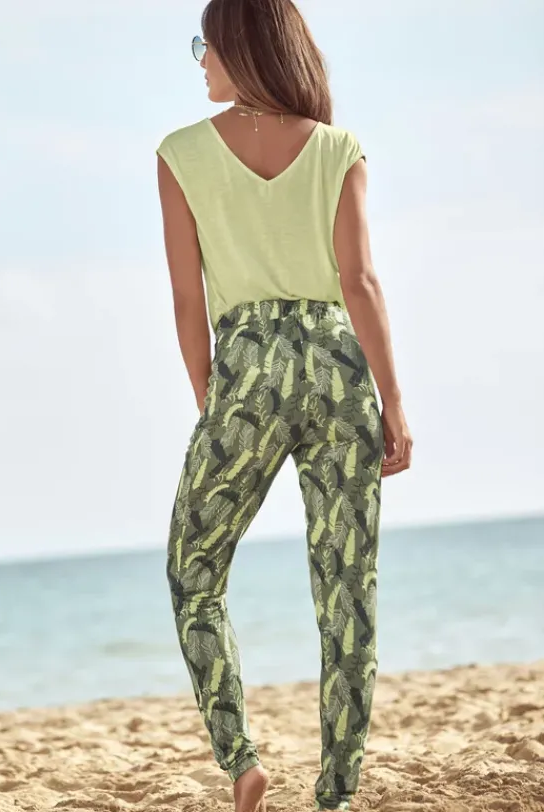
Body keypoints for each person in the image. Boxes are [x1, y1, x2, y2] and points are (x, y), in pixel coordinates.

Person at [156, 1, 412, 809]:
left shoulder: (180, 154)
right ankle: (334, 794)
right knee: (346, 590)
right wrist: (393, 404)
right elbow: (359, 282)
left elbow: (186, 299)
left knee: (194, 572)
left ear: (241, 48)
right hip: (338, 366)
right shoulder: (337, 148)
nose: (200, 61)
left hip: (245, 365)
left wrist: (213, 399)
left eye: (206, 46)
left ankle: (242, 760)